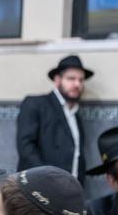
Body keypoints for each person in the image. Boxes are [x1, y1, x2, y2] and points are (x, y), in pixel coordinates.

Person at [16, 55, 94, 184]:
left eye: (81, 80)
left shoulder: (75, 114)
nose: (77, 84)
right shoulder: (36, 104)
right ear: (57, 80)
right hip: (40, 186)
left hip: (71, 188)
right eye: (71, 78)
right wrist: (48, 180)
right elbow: (26, 148)